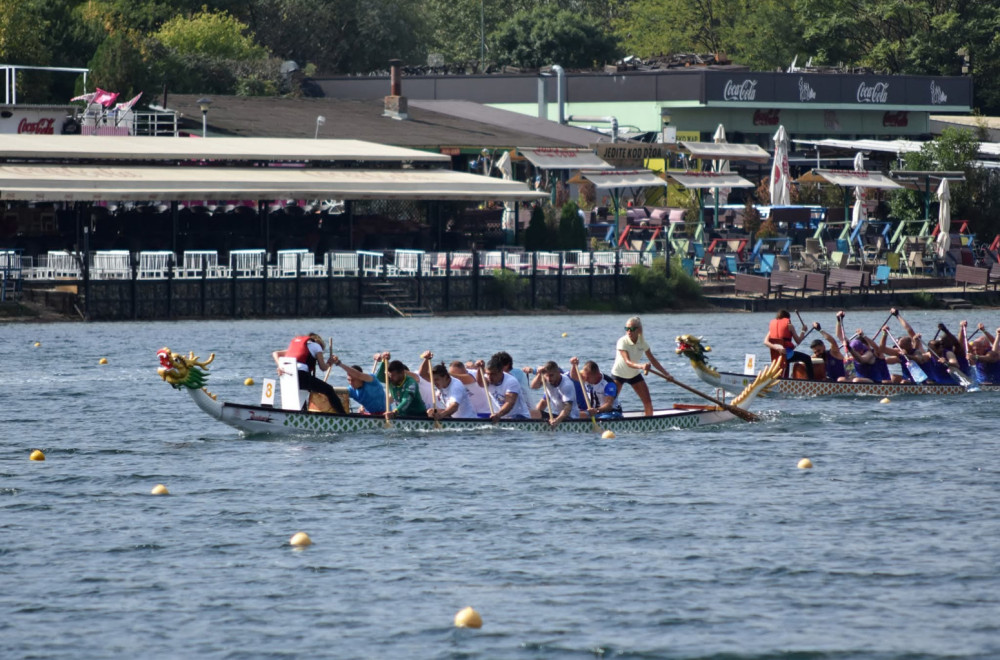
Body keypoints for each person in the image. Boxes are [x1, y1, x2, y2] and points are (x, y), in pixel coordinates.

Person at [271, 333, 346, 414]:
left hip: (287, 376)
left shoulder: (298, 348)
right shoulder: (317, 346)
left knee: (301, 394)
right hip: (301, 376)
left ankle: (302, 414)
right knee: (329, 390)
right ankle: (343, 416)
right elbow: (323, 367)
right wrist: (330, 362)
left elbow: (275, 353)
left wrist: (280, 366)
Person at [611, 316, 670, 416]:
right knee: (611, 403)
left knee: (648, 403)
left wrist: (667, 375)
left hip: (634, 375)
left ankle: (650, 423)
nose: (629, 331)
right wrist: (642, 366)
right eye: (627, 329)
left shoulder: (642, 343)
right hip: (618, 374)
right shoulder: (622, 341)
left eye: (632, 329)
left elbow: (653, 360)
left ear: (638, 330)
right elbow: (628, 362)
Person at [420, 351, 477, 420]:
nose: (434, 382)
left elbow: (454, 406)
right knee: (430, 412)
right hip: (453, 417)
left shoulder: (456, 386)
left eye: (437, 379)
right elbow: (422, 374)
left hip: (466, 420)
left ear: (445, 377)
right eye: (433, 380)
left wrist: (441, 415)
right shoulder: (441, 382)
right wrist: (426, 359)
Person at [477, 353, 531, 421]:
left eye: (493, 374)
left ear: (501, 372)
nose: (490, 377)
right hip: (500, 416)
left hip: (519, 416)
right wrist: (479, 369)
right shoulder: (487, 378)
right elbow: (481, 383)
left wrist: (498, 415)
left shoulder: (511, 381)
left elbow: (509, 403)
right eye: (488, 374)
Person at [763, 309, 813, 379]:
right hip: (787, 354)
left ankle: (785, 380)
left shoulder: (772, 328)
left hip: (776, 354)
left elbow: (765, 341)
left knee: (786, 365)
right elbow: (798, 341)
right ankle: (811, 381)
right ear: (787, 317)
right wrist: (803, 331)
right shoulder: (789, 326)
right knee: (807, 358)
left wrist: (777, 348)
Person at [373, 352, 426, 417]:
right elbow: (378, 377)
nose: (390, 378)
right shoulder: (391, 380)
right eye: (389, 375)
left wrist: (395, 412)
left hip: (418, 416)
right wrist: (383, 361)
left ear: (402, 373)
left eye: (393, 375)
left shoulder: (411, 383)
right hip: (402, 415)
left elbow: (406, 400)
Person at [534, 360, 579, 427]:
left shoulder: (566, 384)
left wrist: (557, 420)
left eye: (551, 375)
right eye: (547, 375)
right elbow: (534, 386)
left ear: (558, 372)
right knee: (532, 413)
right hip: (557, 415)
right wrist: (539, 374)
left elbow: (567, 407)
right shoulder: (547, 380)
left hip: (569, 417)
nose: (549, 378)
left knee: (535, 414)